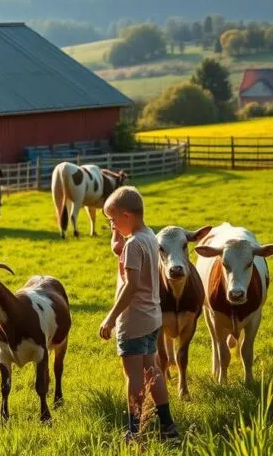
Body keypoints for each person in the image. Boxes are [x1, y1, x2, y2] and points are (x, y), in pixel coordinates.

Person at [98, 186, 179, 442]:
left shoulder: (133, 245)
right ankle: (168, 427)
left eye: (112, 220)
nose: (111, 225)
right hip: (152, 317)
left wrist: (111, 318)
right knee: (152, 371)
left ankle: (134, 431)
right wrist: (117, 231)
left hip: (133, 320)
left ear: (126, 216)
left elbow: (131, 286)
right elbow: (118, 246)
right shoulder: (149, 236)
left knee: (133, 376)